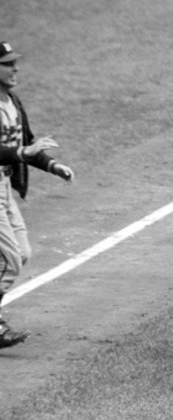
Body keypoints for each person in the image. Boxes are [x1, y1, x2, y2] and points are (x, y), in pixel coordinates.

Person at [0, 41, 74, 348]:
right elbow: (20, 150)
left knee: (23, 254)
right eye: (8, 63)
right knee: (11, 261)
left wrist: (53, 165)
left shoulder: (12, 101)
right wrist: (20, 151)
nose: (16, 68)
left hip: (4, 187)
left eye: (15, 62)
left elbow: (28, 146)